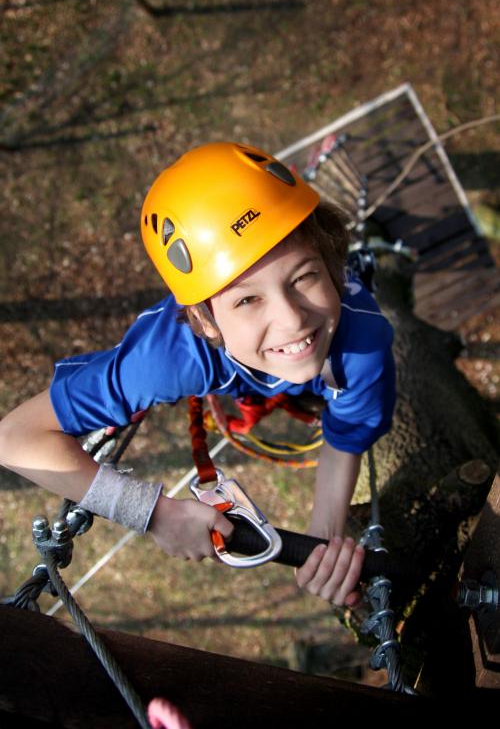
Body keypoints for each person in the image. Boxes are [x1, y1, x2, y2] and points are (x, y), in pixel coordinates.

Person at [0, 142, 395, 608]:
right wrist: (152, 513)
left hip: (311, 362)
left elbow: (347, 434)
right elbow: (15, 437)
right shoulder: (170, 357)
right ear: (205, 320)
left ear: (329, 264)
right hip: (231, 364)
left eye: (304, 277)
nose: (292, 319)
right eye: (247, 299)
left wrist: (323, 541)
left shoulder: (362, 343)